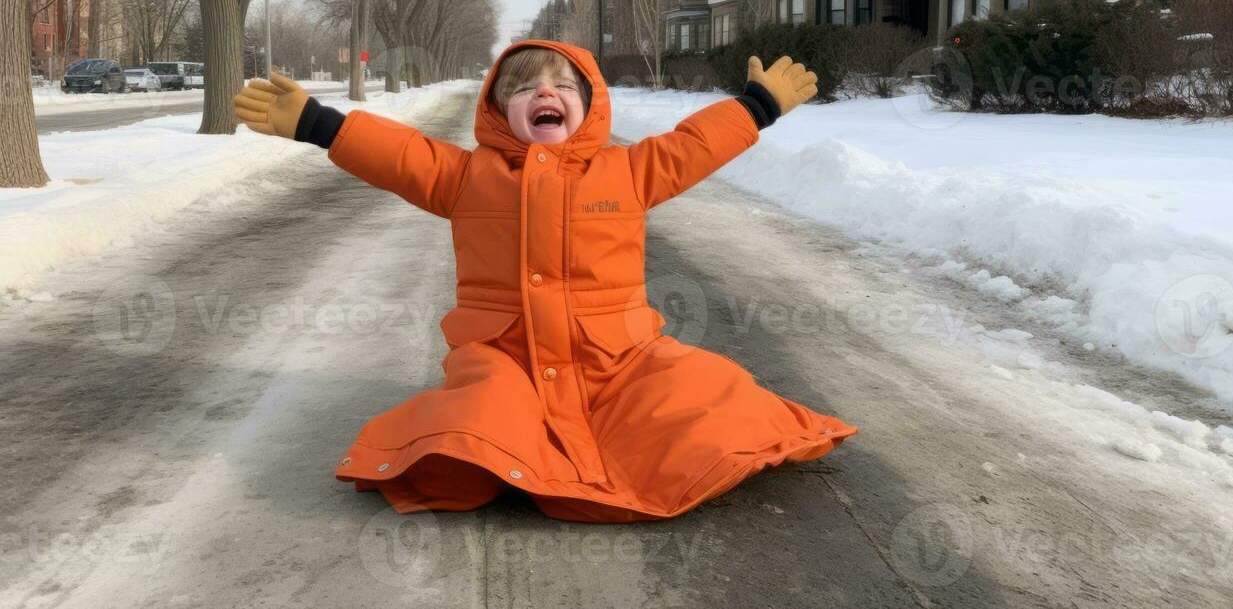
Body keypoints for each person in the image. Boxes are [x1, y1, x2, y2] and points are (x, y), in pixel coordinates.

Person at [232, 39, 857, 522]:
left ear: (588, 107)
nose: (544, 93)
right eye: (524, 87)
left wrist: (758, 106)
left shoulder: (629, 173)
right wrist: (320, 123)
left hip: (618, 357)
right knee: (475, 422)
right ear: (500, 111)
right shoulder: (465, 178)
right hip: (504, 355)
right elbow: (400, 156)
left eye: (562, 85)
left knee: (706, 388)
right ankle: (486, 455)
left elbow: (692, 146)